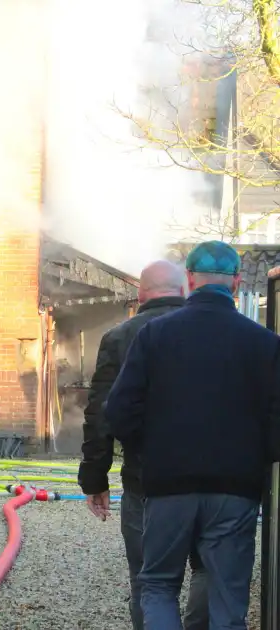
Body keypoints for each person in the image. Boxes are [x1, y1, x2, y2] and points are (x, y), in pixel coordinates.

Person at [108, 241, 280, 630]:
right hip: (236, 488)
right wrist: (258, 458)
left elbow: (119, 410)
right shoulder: (266, 344)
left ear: (189, 280)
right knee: (226, 595)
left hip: (168, 484)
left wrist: (151, 450)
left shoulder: (154, 336)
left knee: (158, 586)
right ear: (236, 282)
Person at [78, 260, 208, 630]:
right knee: (209, 570)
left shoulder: (121, 337)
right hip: (214, 477)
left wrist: (94, 478)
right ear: (184, 289)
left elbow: (101, 413)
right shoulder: (214, 331)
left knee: (149, 578)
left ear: (140, 293)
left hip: (145, 478)